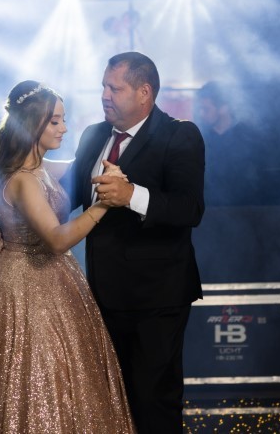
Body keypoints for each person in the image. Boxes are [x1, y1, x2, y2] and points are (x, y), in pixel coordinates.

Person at [0, 80, 135, 433]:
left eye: (63, 119)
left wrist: (117, 166)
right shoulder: (24, 180)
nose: (64, 128)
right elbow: (58, 240)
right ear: (32, 125)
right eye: (55, 121)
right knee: (26, 378)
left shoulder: (40, 170)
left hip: (50, 282)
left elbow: (83, 166)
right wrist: (105, 204)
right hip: (22, 289)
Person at [69, 52, 205, 433]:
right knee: (108, 403)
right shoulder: (93, 135)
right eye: (103, 87)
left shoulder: (180, 134)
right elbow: (67, 196)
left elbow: (190, 208)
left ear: (144, 92)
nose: (104, 95)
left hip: (156, 300)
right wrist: (4, 209)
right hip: (100, 296)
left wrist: (131, 195)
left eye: (115, 89)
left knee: (151, 403)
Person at [195, 80, 261, 206]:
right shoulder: (199, 139)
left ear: (223, 108)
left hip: (245, 208)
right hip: (209, 210)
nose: (201, 114)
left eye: (206, 109)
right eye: (200, 109)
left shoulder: (247, 137)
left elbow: (256, 178)